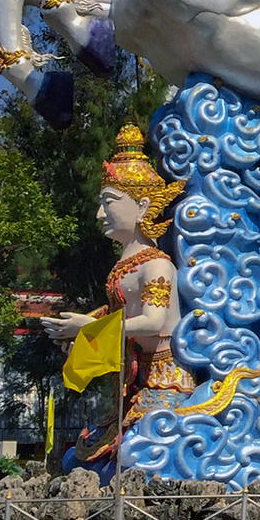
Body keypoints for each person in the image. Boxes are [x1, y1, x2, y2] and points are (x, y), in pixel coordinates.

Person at [43, 125, 191, 468]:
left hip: (165, 382)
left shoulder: (156, 265)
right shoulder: (126, 266)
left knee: (133, 460)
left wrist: (90, 328)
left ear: (141, 206)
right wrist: (80, 330)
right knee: (75, 462)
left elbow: (153, 321)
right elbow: (118, 320)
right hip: (132, 385)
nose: (100, 214)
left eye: (108, 202)